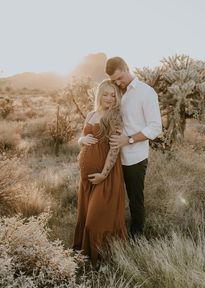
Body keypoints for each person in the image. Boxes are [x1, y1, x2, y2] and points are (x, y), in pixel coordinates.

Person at [105, 57, 162, 238]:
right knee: (112, 198)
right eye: (114, 80)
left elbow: (155, 127)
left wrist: (127, 140)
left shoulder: (146, 92)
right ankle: (114, 233)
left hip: (134, 157)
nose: (118, 82)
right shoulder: (117, 92)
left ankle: (136, 239)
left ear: (127, 68)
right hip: (112, 157)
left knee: (135, 200)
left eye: (120, 78)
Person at [73, 79, 127, 266]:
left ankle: (102, 258)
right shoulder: (90, 114)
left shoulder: (115, 117)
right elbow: (82, 138)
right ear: (99, 95)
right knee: (85, 216)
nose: (110, 98)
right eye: (106, 94)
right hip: (86, 177)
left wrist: (104, 174)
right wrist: (81, 139)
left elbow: (114, 149)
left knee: (94, 221)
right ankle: (86, 259)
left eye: (113, 95)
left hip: (106, 176)